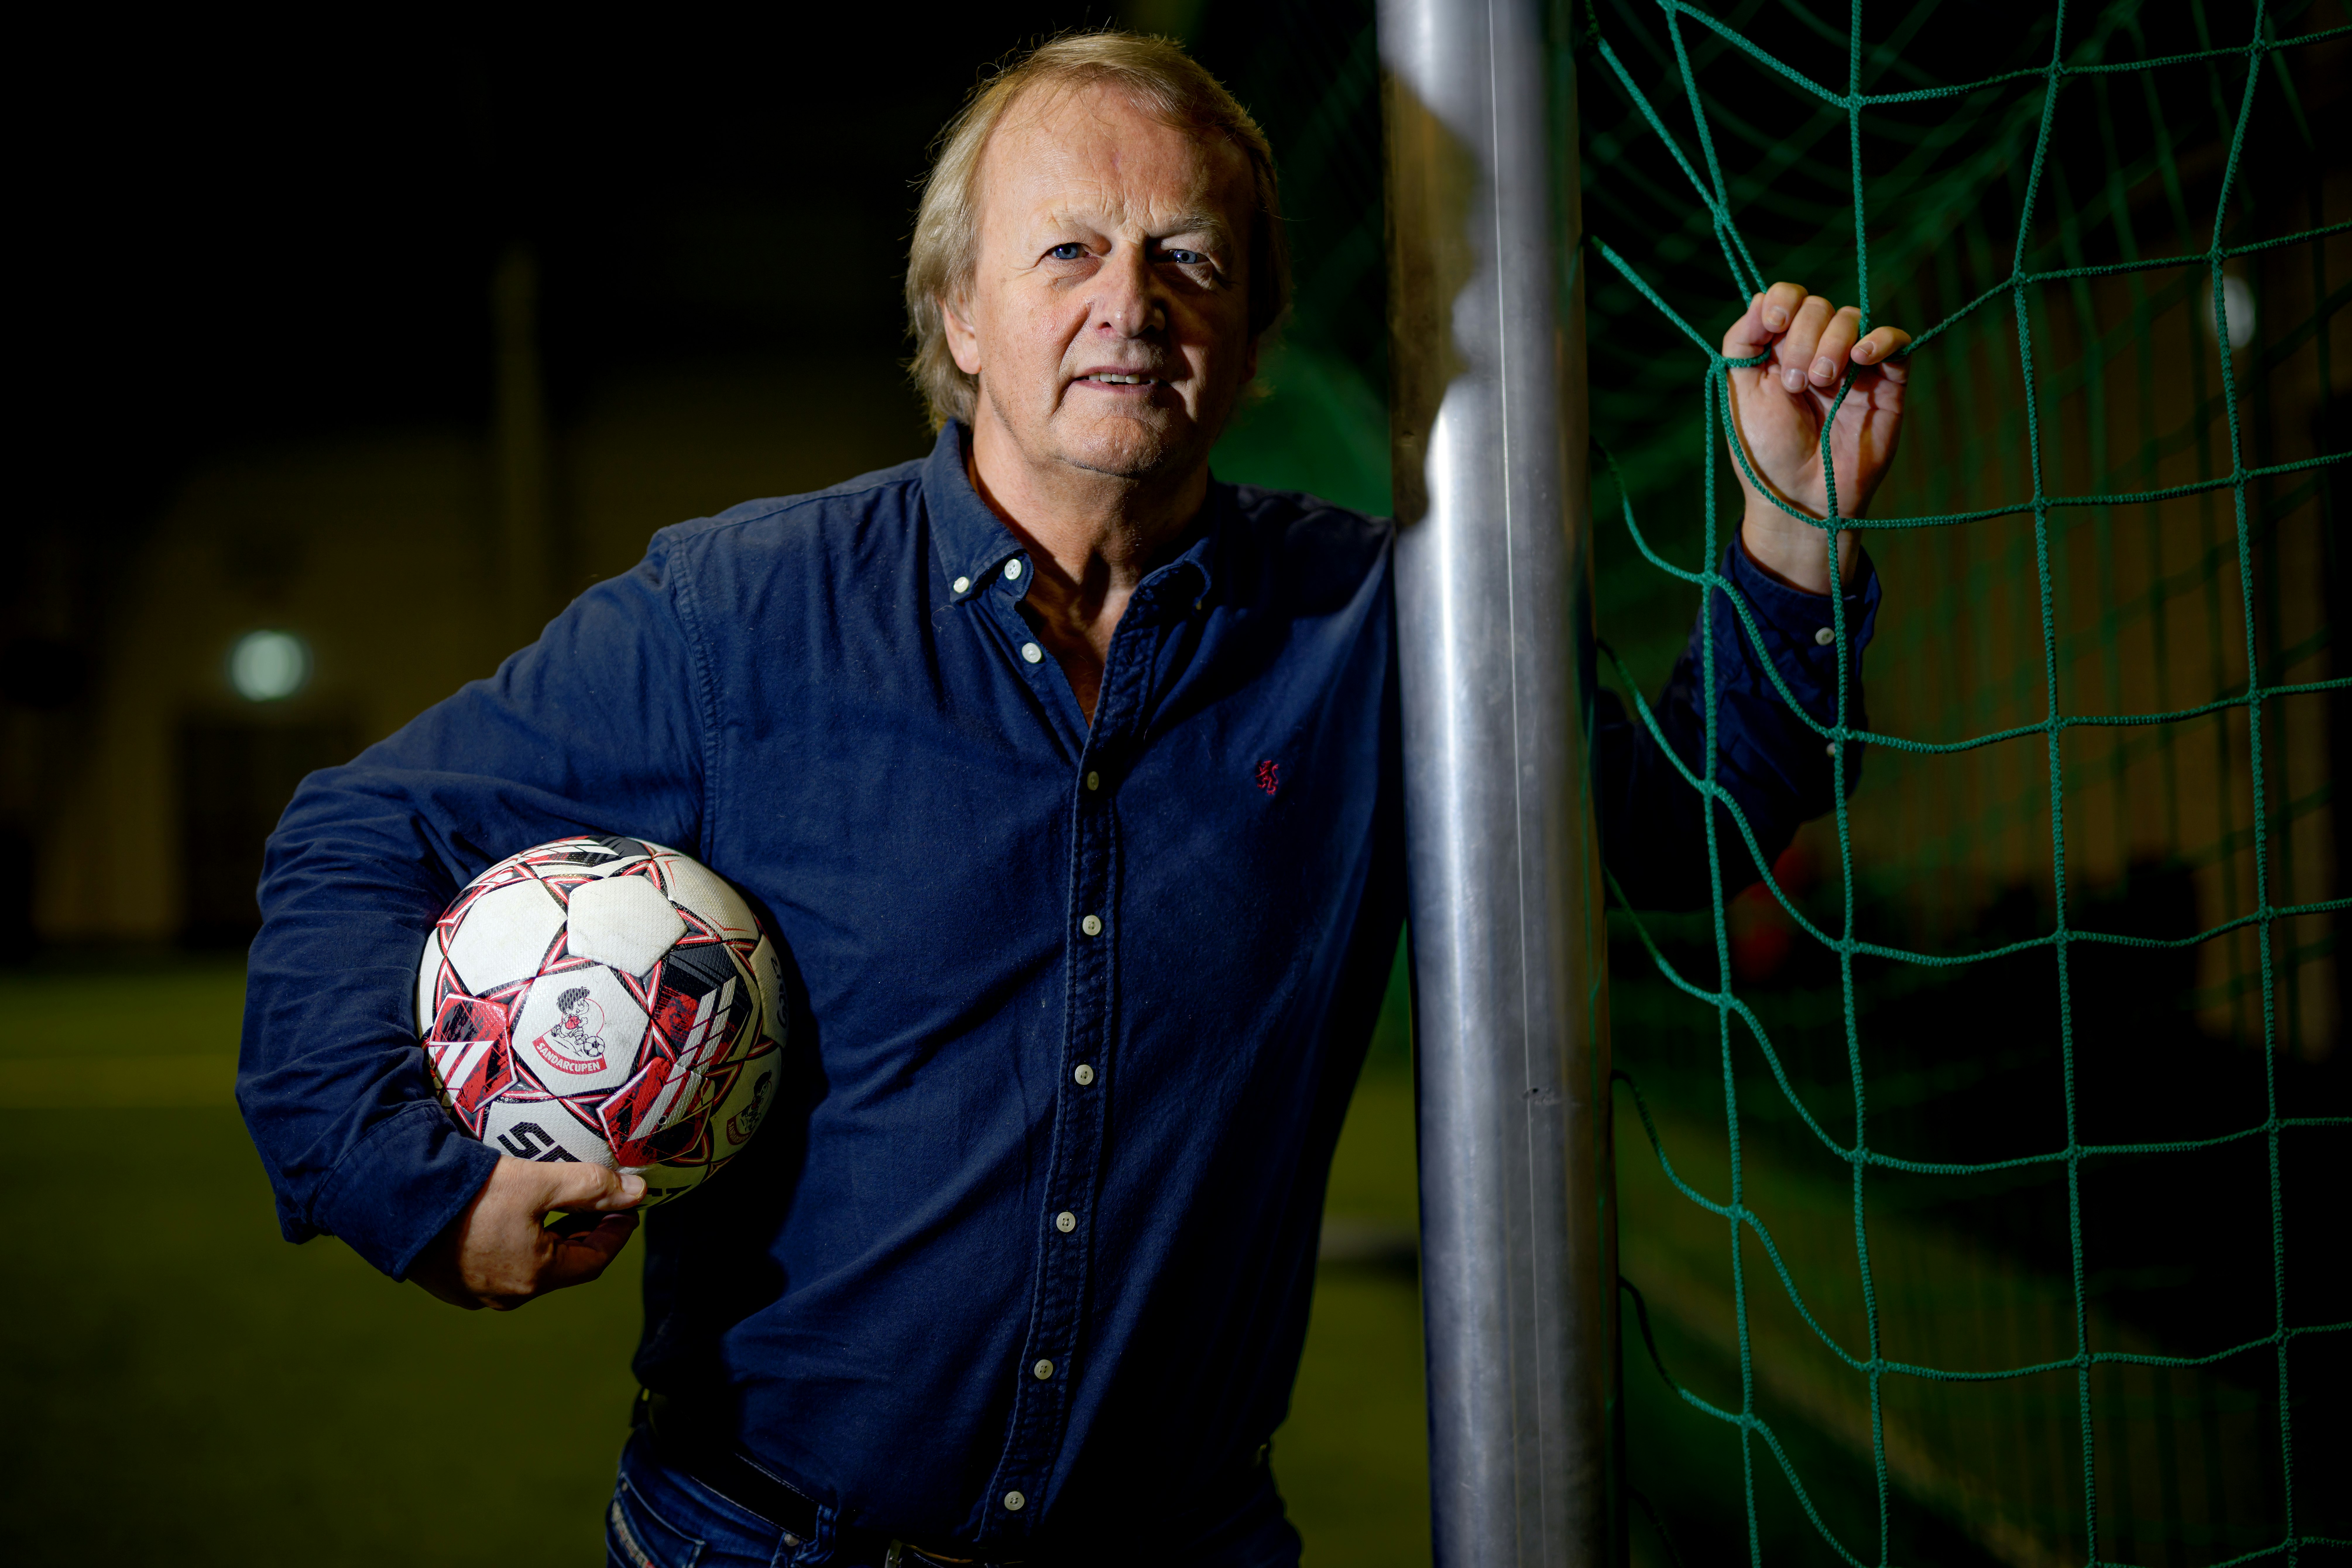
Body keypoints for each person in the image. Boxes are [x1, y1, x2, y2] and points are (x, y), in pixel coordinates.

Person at [237, 30, 1909, 1568]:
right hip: (756, 1539)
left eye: (1189, 257)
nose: (1132, 302)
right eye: (1068, 251)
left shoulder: (1385, 631)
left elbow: (1673, 828)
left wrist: (1793, 536)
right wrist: (429, 1194)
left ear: (1249, 333)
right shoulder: (737, 619)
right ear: (960, 318)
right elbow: (359, 837)